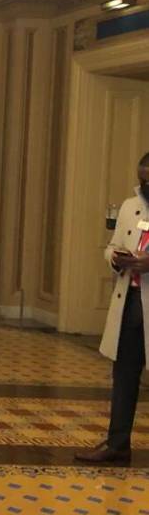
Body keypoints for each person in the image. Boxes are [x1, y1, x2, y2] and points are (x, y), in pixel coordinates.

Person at [75, 152, 149, 465]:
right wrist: (115, 258)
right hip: (131, 301)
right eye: (142, 177)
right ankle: (118, 443)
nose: (144, 183)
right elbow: (111, 244)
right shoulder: (131, 208)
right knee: (125, 374)